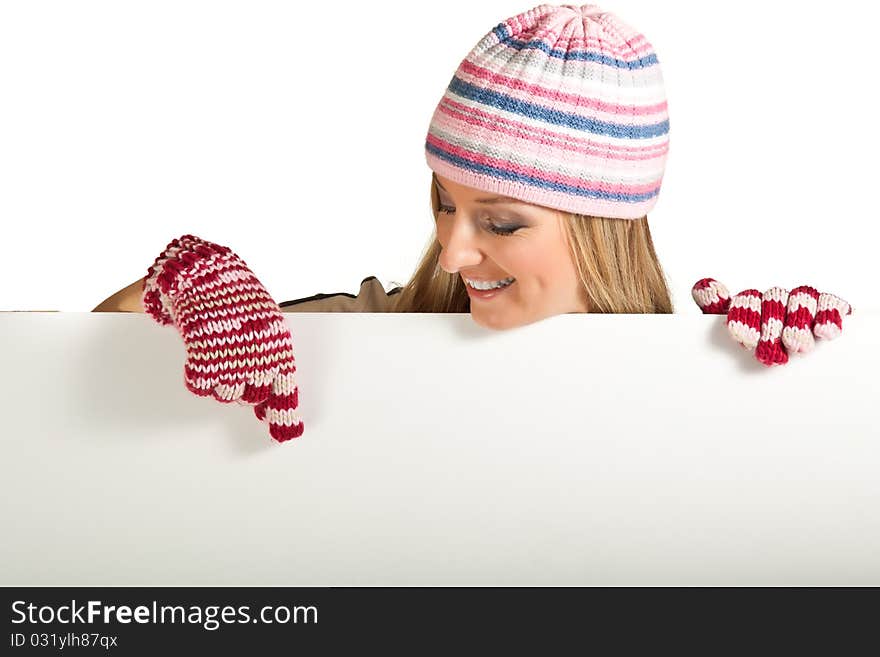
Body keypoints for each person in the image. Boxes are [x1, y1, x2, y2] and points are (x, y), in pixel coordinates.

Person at [92, 3, 851, 443]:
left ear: (603, 228)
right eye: (445, 203)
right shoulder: (371, 333)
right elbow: (75, 362)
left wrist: (790, 381)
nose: (453, 252)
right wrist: (187, 285)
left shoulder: (699, 359)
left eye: (503, 222)